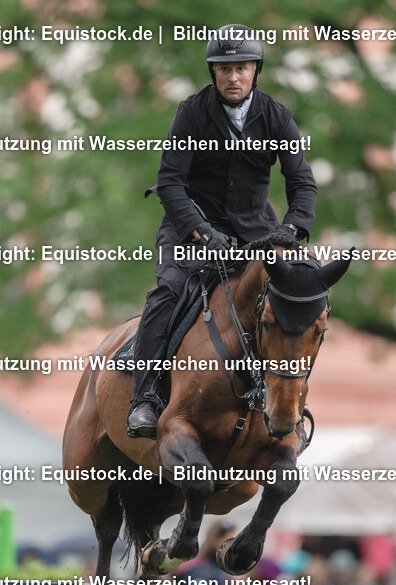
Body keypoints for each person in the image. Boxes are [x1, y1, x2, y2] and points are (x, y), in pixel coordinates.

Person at [126, 23, 318, 438]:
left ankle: (290, 407)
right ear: (213, 72)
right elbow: (171, 183)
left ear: (255, 71)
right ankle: (144, 398)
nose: (233, 77)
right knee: (169, 290)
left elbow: (302, 183)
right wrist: (199, 231)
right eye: (224, 69)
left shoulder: (277, 117)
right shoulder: (192, 112)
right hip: (188, 229)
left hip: (258, 233)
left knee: (295, 297)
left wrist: (292, 228)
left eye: (242, 68)